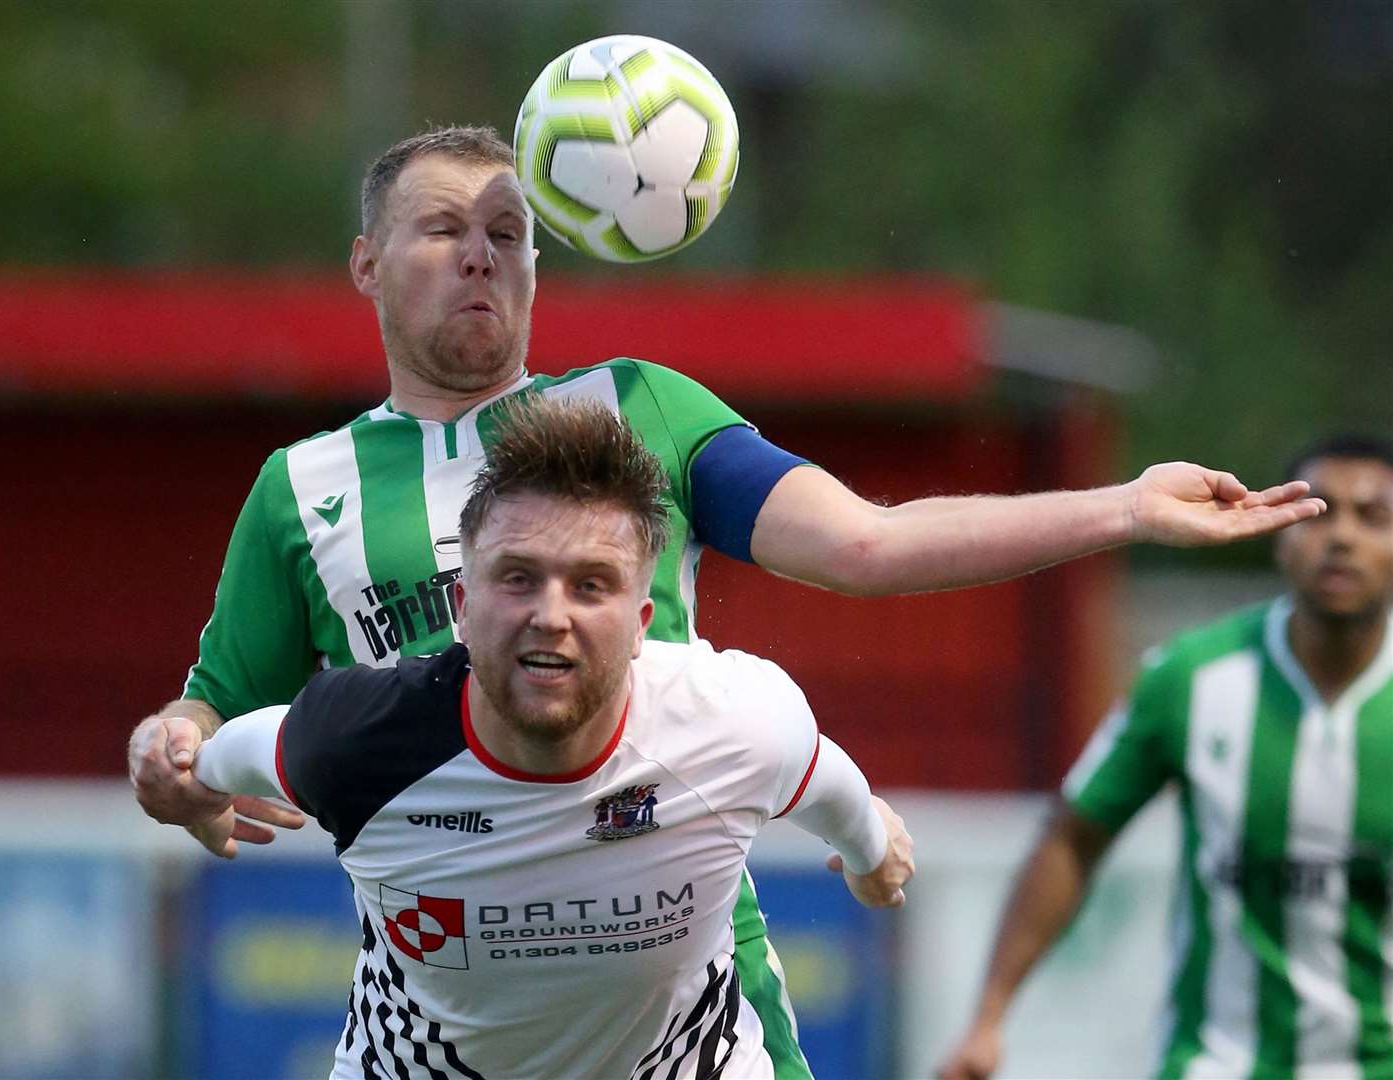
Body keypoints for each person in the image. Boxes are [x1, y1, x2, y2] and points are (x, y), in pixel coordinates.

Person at [128, 124, 1323, 1078]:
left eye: (510, 231)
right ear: (366, 263)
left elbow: (868, 541)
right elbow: (202, 715)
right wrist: (167, 758)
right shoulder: (302, 489)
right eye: (442, 229)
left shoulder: (635, 407)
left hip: (684, 988)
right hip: (452, 1004)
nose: (482, 253)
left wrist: (1118, 507)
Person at [186, 397, 915, 1079]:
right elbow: (224, 753)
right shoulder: (351, 740)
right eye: (518, 578)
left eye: (592, 585)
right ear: (463, 610)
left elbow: (832, 786)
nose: (551, 615)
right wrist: (184, 770)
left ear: (640, 625)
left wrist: (872, 854)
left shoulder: (731, 720)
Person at [936, 433, 1393, 1080]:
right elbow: (1072, 836)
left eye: (1371, 517)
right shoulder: (1189, 678)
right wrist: (987, 1018)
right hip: (1213, 1064)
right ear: (1278, 531)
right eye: (1317, 511)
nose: (1340, 537)